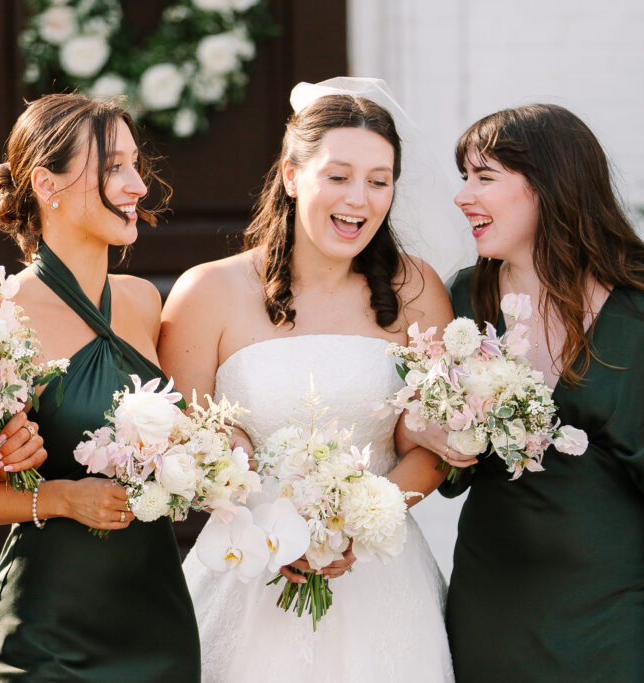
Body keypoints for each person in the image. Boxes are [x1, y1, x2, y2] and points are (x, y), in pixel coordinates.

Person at [159, 85, 455, 682]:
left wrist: (358, 523)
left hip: (382, 582)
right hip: (249, 574)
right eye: (338, 176)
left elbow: (429, 447)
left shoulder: (417, 290)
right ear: (292, 176)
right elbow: (183, 446)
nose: (359, 200)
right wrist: (267, 524)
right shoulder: (207, 292)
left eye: (379, 180)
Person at [416, 103, 644, 681]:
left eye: (484, 177)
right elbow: (425, 445)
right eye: (464, 178)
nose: (463, 196)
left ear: (548, 187)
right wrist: (426, 429)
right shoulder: (460, 302)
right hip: (495, 601)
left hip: (623, 607)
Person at [0, 93, 201, 681]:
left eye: (135, 166)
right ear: (48, 183)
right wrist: (58, 498)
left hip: (158, 617)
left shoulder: (145, 301)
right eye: (114, 168)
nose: (138, 186)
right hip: (49, 634)